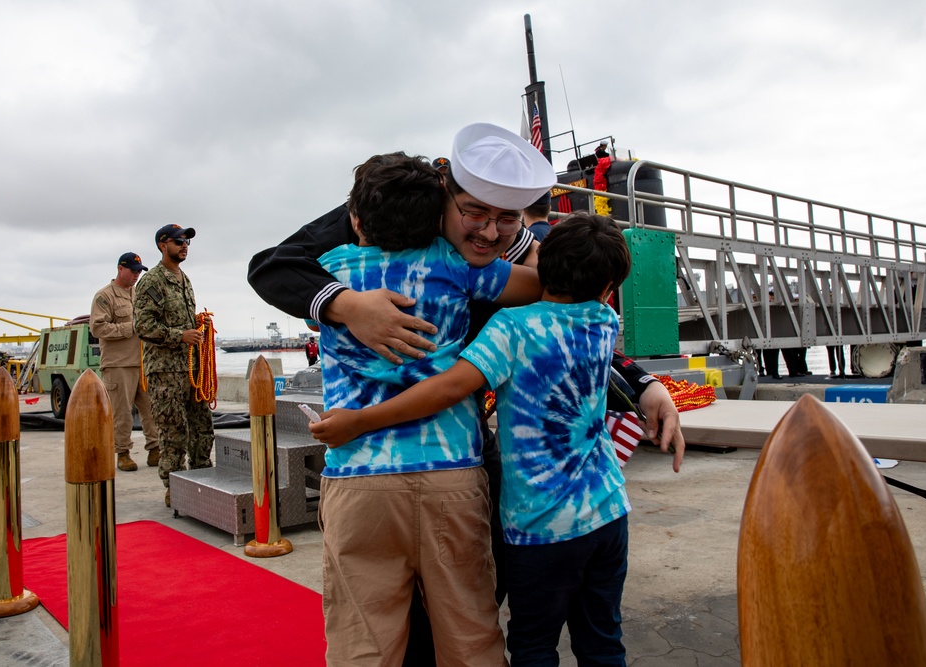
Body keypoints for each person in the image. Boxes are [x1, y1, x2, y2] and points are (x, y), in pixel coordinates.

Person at [248, 122, 683, 662]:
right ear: (442, 190)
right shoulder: (387, 212)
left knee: (436, 615)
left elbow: (566, 307)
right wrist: (345, 305)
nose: (489, 233)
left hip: (455, 448)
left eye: (508, 220)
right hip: (439, 459)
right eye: (474, 213)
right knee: (454, 627)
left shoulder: (509, 242)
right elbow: (270, 266)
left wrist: (642, 384)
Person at [314, 149, 548, 665]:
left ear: (355, 219)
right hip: (452, 475)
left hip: (356, 474)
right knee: (471, 635)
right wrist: (530, 249)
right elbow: (541, 288)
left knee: (363, 643)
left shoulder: (329, 272)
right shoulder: (455, 265)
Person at [133, 224, 215, 508]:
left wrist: (196, 325)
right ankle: (174, 486)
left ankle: (203, 479)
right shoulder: (151, 281)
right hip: (165, 371)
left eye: (187, 242)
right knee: (173, 432)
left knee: (203, 426)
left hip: (190, 369)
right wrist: (180, 335)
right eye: (179, 241)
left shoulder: (184, 279)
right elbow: (143, 326)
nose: (184, 246)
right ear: (162, 244)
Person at [90, 252, 161, 472]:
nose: (137, 275)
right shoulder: (104, 296)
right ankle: (123, 453)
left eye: (139, 271)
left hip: (143, 361)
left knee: (152, 409)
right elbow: (97, 327)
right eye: (133, 271)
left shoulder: (140, 294)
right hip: (119, 364)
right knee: (121, 412)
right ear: (120, 269)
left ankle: (155, 449)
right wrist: (129, 328)